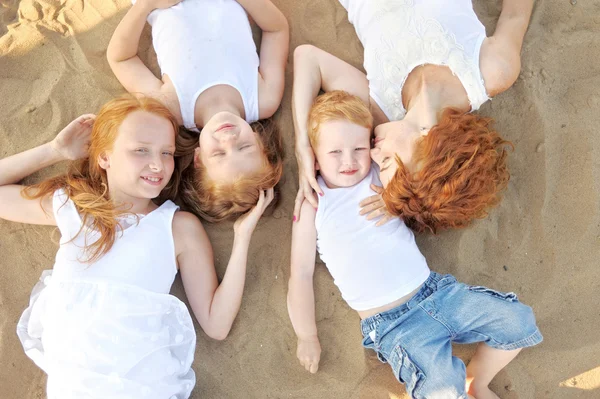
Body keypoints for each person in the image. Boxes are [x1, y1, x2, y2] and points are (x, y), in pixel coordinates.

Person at [1, 95, 272, 398]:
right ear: (104, 156)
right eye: (140, 150)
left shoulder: (177, 227)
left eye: (166, 152)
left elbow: (216, 323)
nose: (157, 164)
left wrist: (243, 237)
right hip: (74, 384)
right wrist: (54, 151)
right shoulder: (76, 208)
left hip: (139, 384)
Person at [287, 91, 542, 399]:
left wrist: (394, 201)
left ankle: (477, 381)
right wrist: (306, 335)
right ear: (313, 154)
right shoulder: (313, 203)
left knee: (517, 320)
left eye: (358, 148)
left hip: (437, 293)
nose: (349, 160)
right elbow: (299, 273)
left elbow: (422, 197)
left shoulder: (381, 174)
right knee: (441, 390)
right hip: (395, 324)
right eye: (334, 152)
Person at [293, 0, 534, 233]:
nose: (373, 154)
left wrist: (302, 144)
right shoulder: (492, 70)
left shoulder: (378, 110)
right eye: (386, 160)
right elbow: (515, 15)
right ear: (428, 142)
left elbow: (308, 59)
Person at [107, 0, 288, 221]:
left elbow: (121, 59)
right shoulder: (264, 98)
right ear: (260, 141)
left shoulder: (172, 107)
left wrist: (146, 5)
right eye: (244, 146)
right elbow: (276, 29)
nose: (229, 139)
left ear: (198, 158)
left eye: (219, 153)